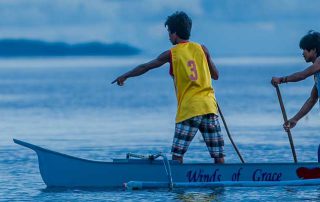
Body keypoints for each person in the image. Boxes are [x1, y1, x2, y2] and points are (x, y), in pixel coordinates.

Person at [112, 11, 224, 164]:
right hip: (209, 107)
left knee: (177, 156)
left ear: (175, 33)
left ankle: (177, 185)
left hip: (190, 109)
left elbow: (146, 66)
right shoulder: (202, 49)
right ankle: (219, 183)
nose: (168, 37)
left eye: (169, 33)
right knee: (218, 156)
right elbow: (216, 75)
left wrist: (125, 75)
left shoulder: (172, 53)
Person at [271, 30, 320, 131]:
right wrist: (295, 119)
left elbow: (302, 75)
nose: (302, 53)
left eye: (305, 50)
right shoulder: (317, 75)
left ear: (314, 50)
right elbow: (312, 99)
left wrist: (282, 79)